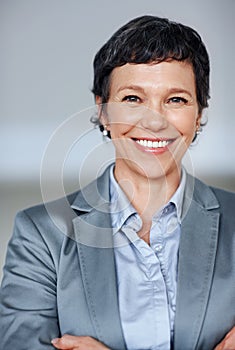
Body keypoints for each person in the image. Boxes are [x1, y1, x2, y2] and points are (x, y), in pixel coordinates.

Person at [0, 15, 235, 350]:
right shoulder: (40, 236)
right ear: (104, 111)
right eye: (132, 99)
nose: (154, 121)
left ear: (198, 115)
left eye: (176, 99)